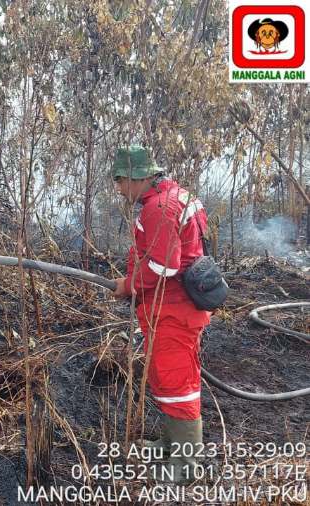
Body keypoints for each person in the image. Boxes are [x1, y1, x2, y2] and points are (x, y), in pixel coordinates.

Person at [110, 146, 211, 483]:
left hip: (173, 308)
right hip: (175, 307)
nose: (119, 189)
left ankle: (185, 463)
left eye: (121, 181)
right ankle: (170, 443)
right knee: (171, 377)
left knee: (176, 382)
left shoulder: (159, 208)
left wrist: (127, 284)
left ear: (138, 177)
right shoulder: (178, 196)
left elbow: (163, 265)